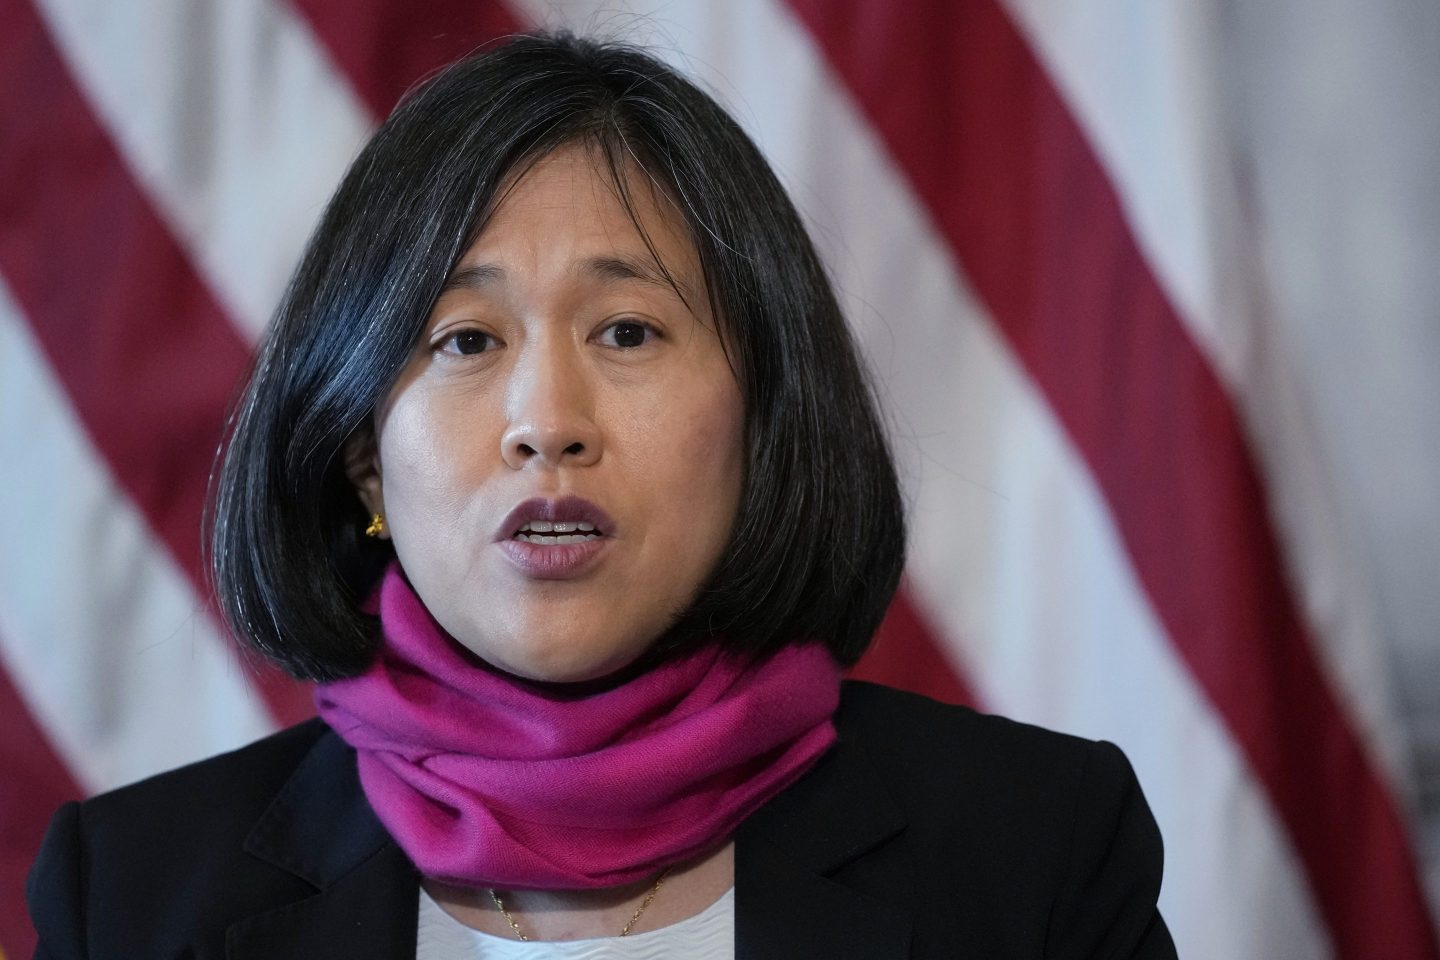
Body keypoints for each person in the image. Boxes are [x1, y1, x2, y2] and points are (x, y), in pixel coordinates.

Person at [26, 32, 1178, 959]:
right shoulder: (130, 894)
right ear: (363, 456)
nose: (548, 421)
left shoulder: (1033, 854)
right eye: (465, 340)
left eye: (628, 331)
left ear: (763, 419)